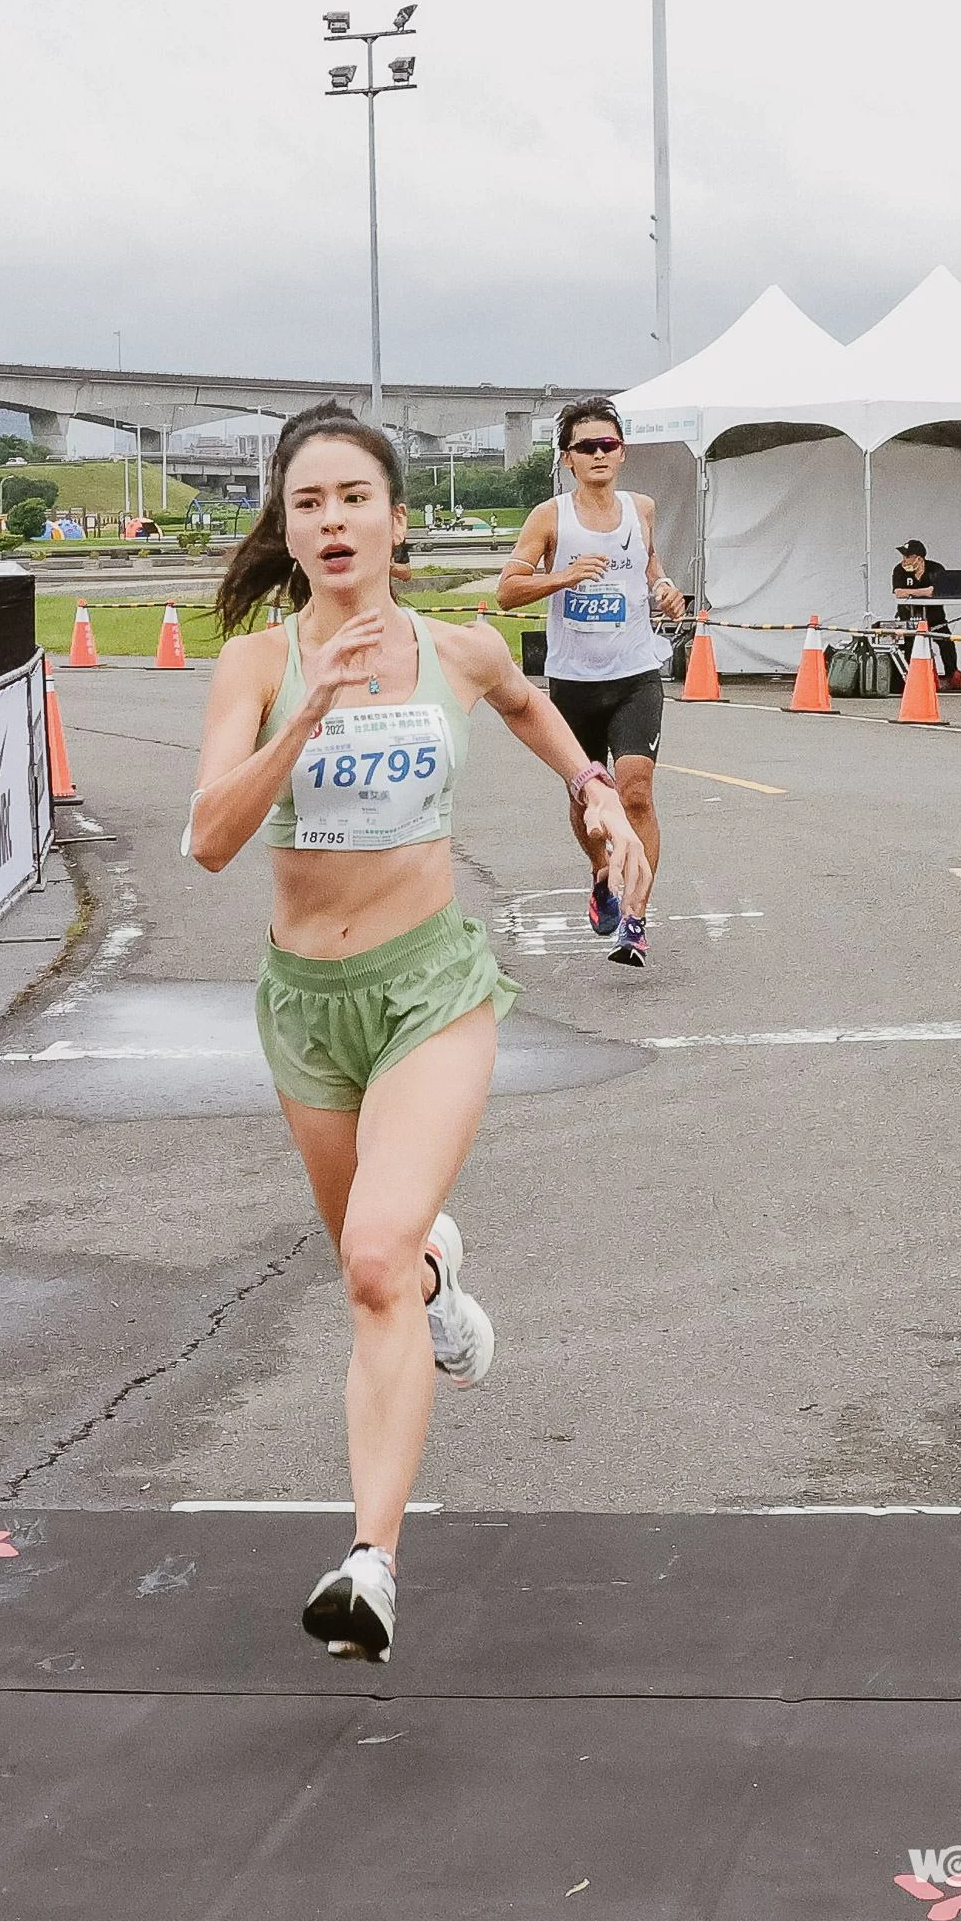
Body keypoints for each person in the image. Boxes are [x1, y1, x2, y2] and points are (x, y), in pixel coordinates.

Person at [186, 402, 650, 1663]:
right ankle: (438, 1284)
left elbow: (528, 703)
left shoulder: (457, 649)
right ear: (288, 533)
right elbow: (210, 839)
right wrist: (304, 716)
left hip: (432, 988)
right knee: (378, 1259)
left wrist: (596, 794)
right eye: (308, 504)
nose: (332, 521)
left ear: (397, 522)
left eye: (354, 499)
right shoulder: (256, 666)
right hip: (306, 1004)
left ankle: (370, 1565)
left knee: (371, 1261)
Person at [495, 395, 686, 968]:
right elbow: (506, 591)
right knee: (585, 799)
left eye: (609, 444)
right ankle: (602, 871)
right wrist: (562, 577)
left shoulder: (641, 509)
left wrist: (664, 588)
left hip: (635, 675)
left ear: (622, 452)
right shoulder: (550, 517)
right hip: (574, 682)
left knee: (636, 793)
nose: (599, 454)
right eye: (587, 447)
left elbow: (648, 564)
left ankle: (636, 920)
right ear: (568, 458)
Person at [892, 540, 961, 690]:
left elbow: (936, 591)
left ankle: (952, 675)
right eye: (903, 557)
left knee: (946, 642)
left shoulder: (936, 569)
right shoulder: (899, 570)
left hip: (935, 616)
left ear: (919, 558)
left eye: (908, 557)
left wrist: (911, 592)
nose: (904, 561)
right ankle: (913, 677)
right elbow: (898, 592)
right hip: (909, 616)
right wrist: (923, 592)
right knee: (910, 644)